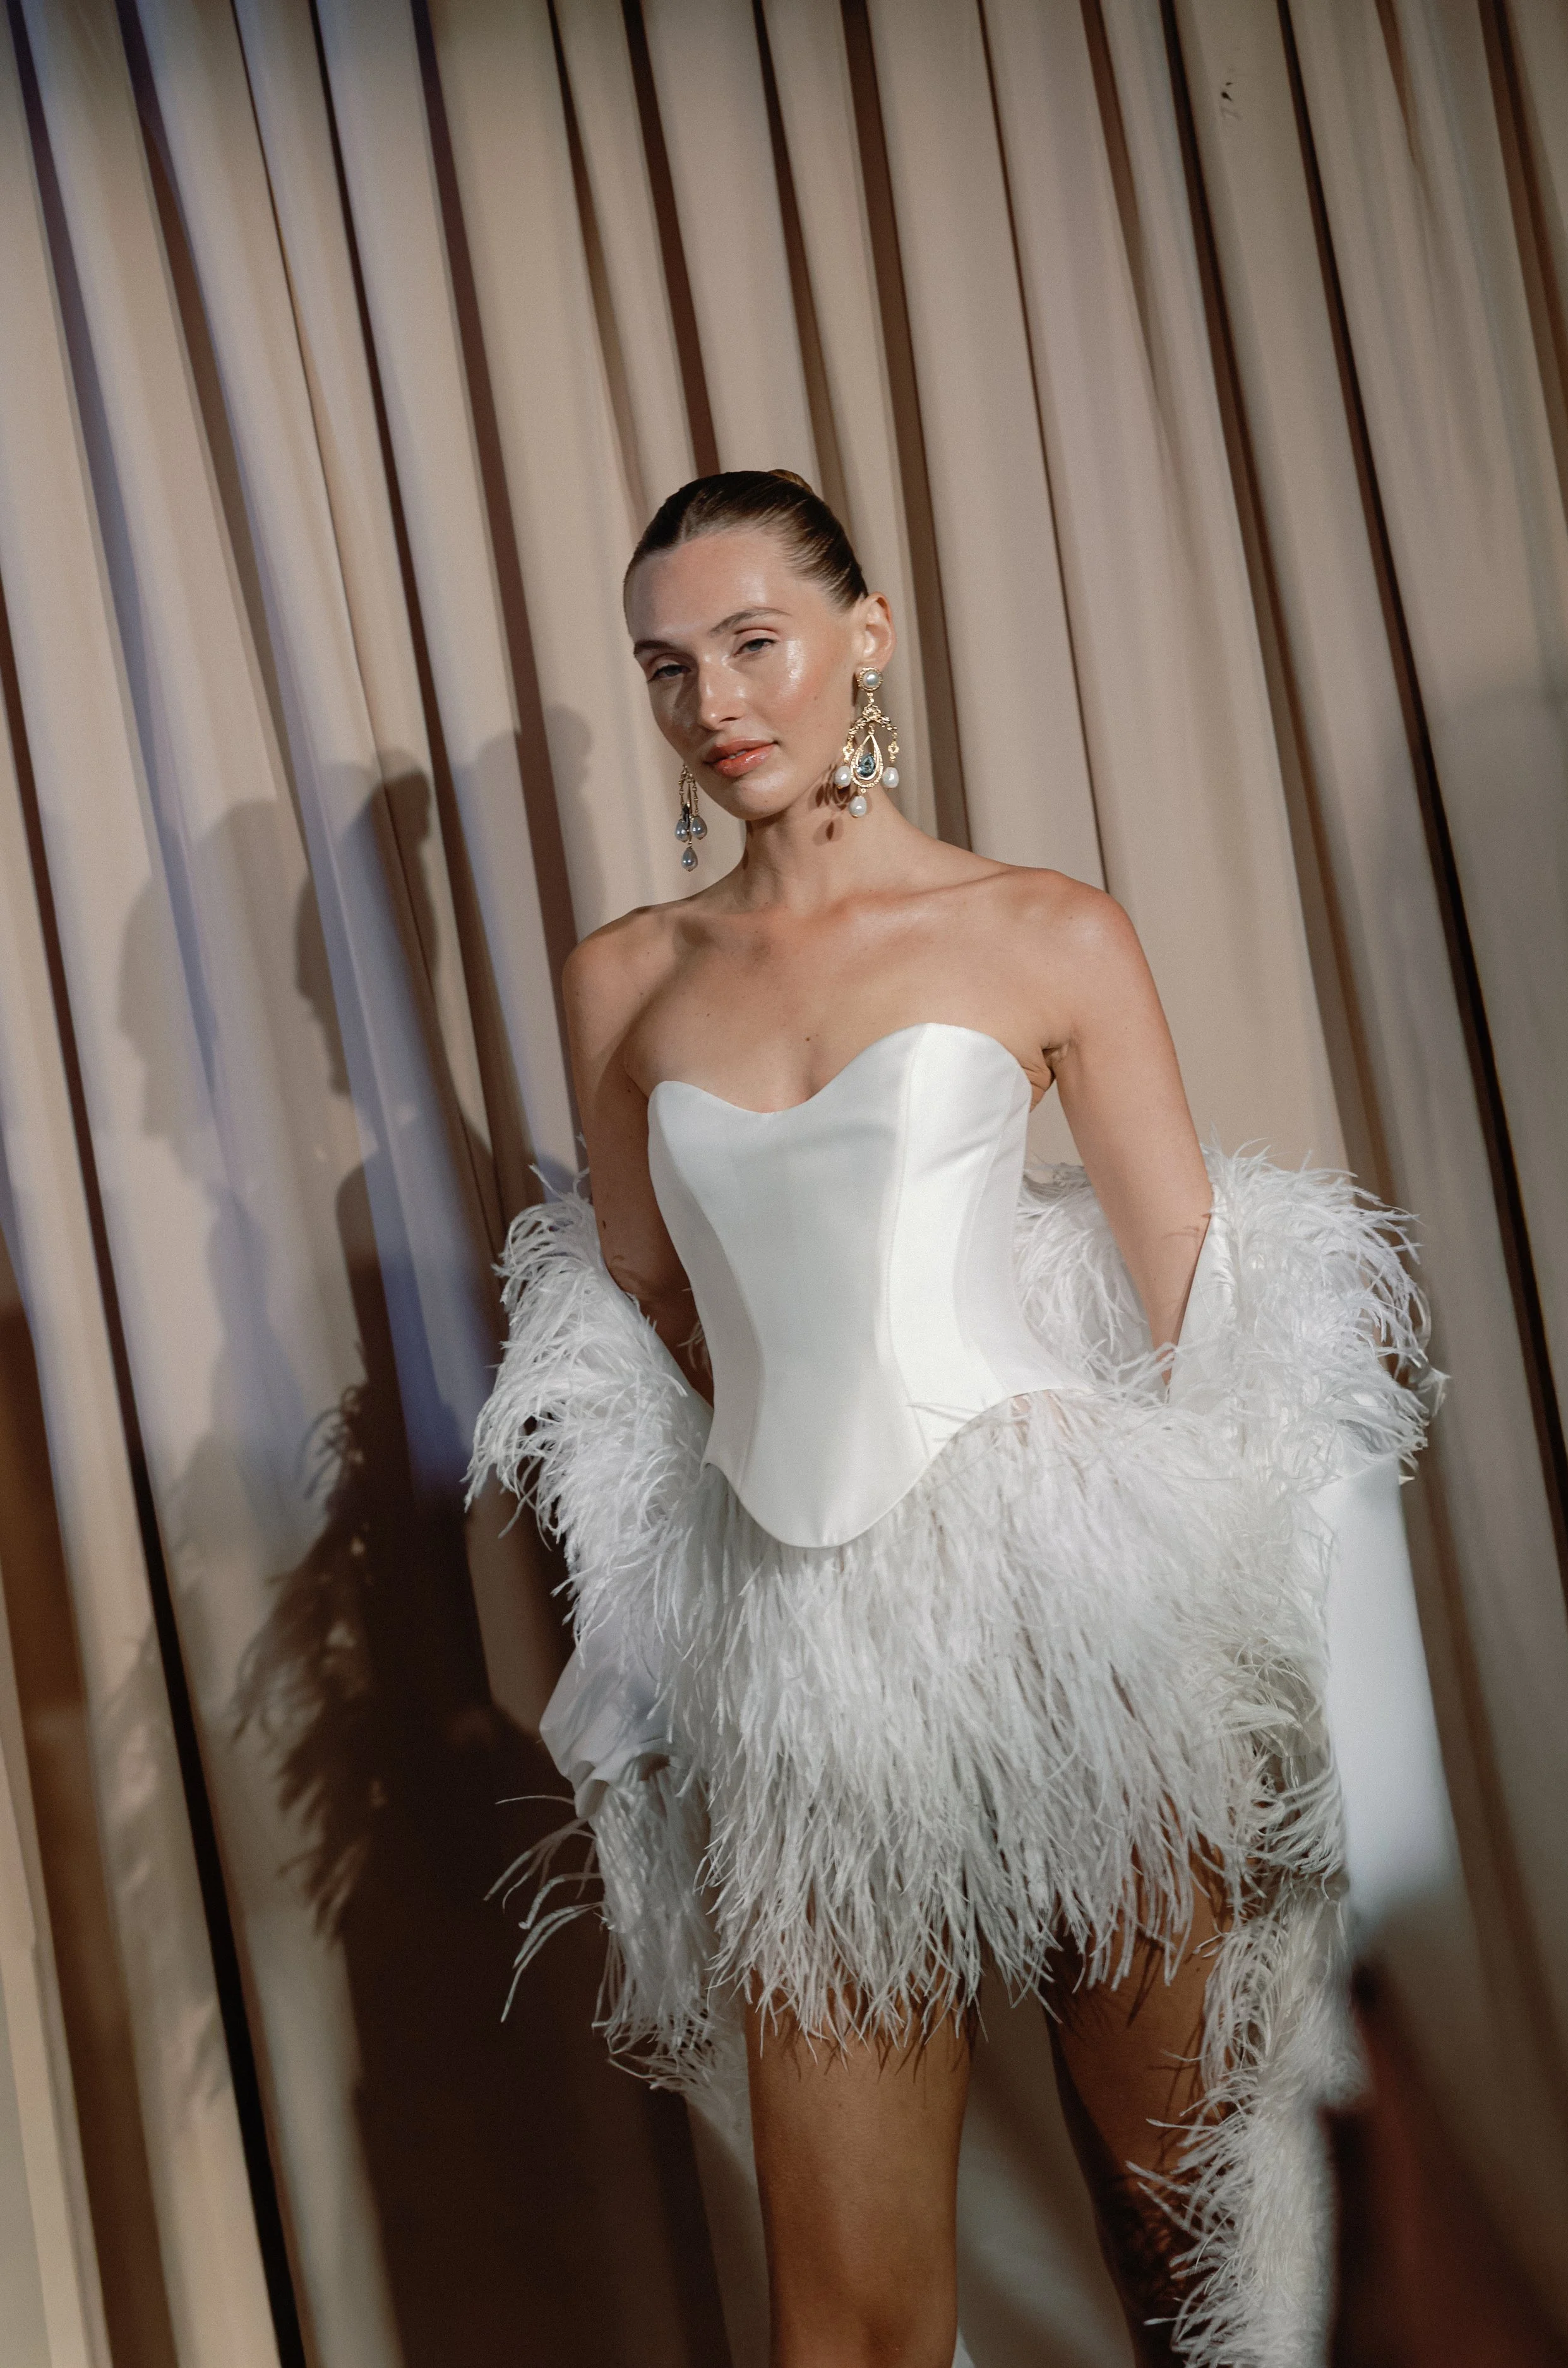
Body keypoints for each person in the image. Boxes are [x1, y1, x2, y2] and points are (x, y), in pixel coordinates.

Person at [468, 471, 1435, 2367]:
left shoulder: (1045, 930)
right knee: (846, 2322)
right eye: (670, 669)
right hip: (810, 1671)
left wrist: (1250, 1642)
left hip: (1079, 1628)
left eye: (755, 643)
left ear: (866, 638)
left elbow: (1203, 1301)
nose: (718, 703)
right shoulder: (622, 979)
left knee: (1198, 2250)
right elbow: (652, 1297)